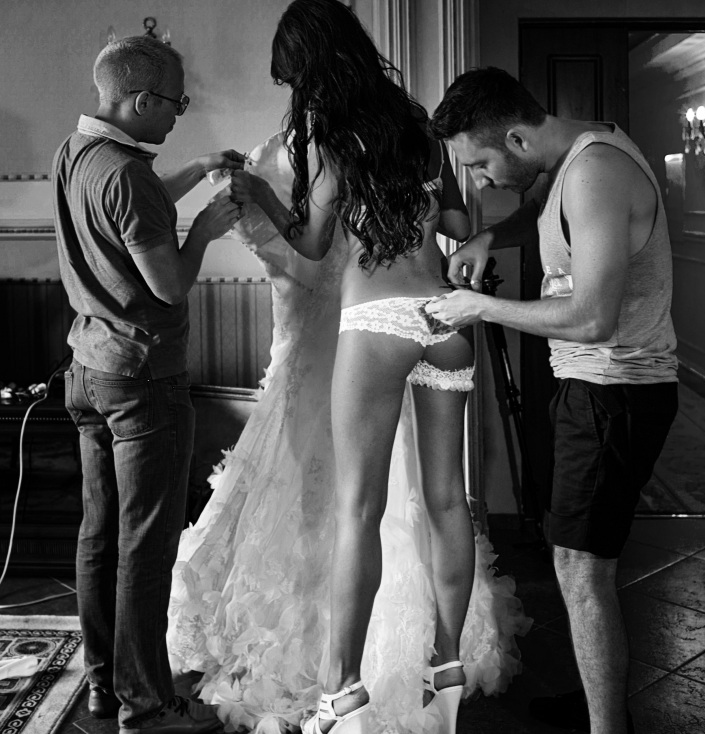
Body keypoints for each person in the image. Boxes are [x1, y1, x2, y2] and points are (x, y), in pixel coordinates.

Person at [166, 3, 530, 734]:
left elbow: (308, 243)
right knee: (446, 502)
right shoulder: (418, 127)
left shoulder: (333, 138)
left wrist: (260, 194)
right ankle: (447, 664)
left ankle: (341, 691)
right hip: (444, 320)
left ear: (311, 67)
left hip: (376, 323)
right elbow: (457, 225)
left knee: (358, 511)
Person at [425, 67, 680, 734]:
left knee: (579, 566)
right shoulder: (577, 151)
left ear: (516, 138)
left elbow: (593, 318)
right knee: (575, 559)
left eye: (479, 164)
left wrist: (481, 307)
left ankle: (606, 725)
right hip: (595, 389)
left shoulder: (594, 172)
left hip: (614, 391)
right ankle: (600, 699)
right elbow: (547, 215)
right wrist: (488, 237)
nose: (480, 181)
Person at [52, 34, 245, 734]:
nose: (177, 114)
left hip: (87, 370)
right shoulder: (128, 175)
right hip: (142, 379)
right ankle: (147, 705)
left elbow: (129, 209)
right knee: (147, 545)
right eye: (175, 103)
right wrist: (206, 230)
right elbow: (168, 285)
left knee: (100, 536)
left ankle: (103, 685)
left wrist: (197, 168)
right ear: (139, 101)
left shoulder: (77, 151)